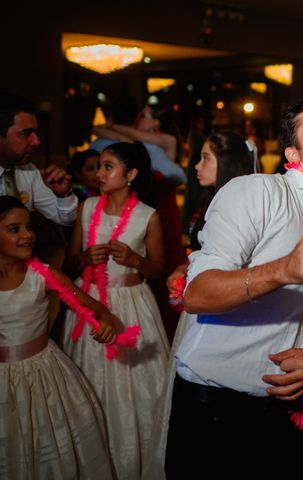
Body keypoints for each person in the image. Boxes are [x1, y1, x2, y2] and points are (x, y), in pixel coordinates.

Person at [164, 91, 303, 479]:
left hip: (285, 413)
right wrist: (284, 269)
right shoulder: (257, 192)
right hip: (216, 412)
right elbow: (197, 293)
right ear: (293, 155)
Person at [142, 131, 257, 478]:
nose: (196, 166)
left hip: (222, 310)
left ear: (228, 163)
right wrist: (185, 267)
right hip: (198, 305)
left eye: (205, 158)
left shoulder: (240, 205)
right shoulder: (208, 198)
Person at [61, 142, 170, 479]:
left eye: (108, 167)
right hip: (89, 299)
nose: (99, 174)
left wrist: (135, 261)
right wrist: (83, 259)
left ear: (131, 175)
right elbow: (67, 260)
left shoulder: (147, 216)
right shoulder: (88, 207)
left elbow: (158, 268)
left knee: (135, 389)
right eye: (97, 167)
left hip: (132, 304)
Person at [0, 195, 116, 479]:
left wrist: (106, 323)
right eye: (14, 229)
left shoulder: (43, 276)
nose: (28, 235)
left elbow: (98, 310)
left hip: (44, 375)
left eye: (29, 227)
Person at [92, 97, 187, 342]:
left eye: (145, 115)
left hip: (162, 211)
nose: (140, 120)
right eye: (140, 114)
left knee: (164, 265)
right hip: (133, 205)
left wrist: (124, 134)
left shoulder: (164, 140)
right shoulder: (133, 144)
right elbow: (96, 129)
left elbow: (102, 130)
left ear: (156, 121)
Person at [0, 93, 78, 226]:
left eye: (35, 132)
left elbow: (65, 219)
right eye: (25, 134)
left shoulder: (29, 170)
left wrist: (63, 195)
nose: (36, 141)